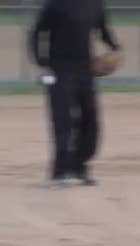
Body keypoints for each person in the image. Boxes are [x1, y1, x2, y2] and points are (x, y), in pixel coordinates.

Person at [29, 0, 121, 186]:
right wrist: (43, 62)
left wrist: (115, 48)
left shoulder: (94, 4)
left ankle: (80, 167)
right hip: (59, 70)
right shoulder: (55, 4)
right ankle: (60, 172)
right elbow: (37, 33)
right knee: (63, 120)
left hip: (85, 70)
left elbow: (102, 29)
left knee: (90, 120)